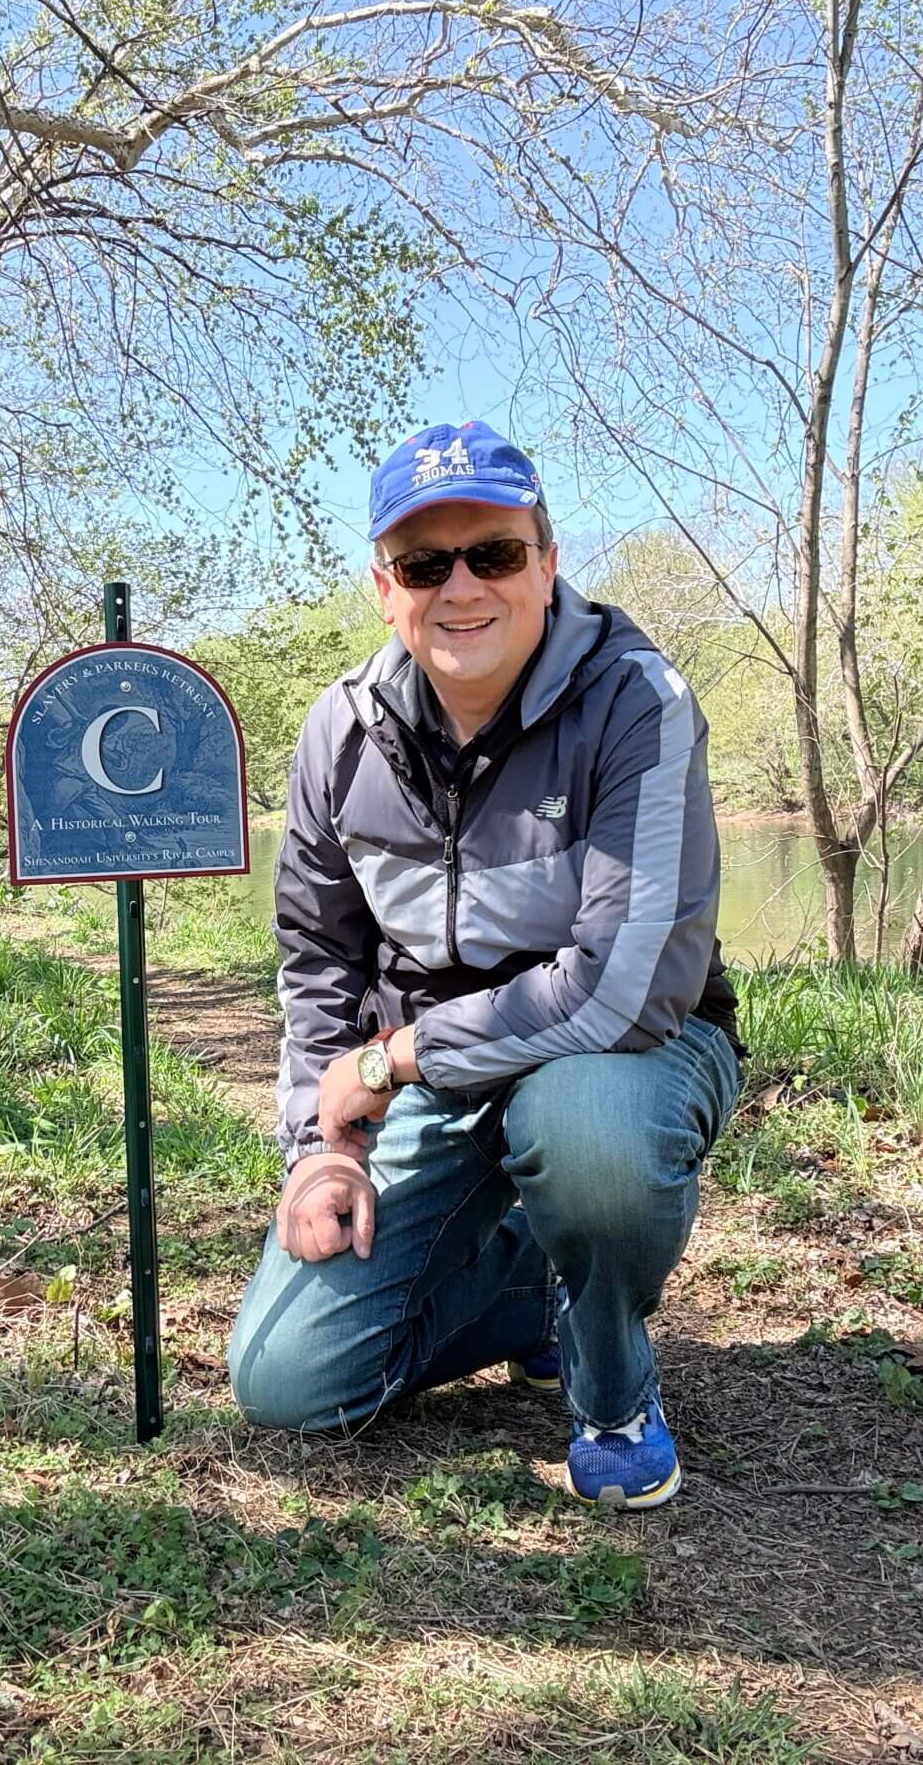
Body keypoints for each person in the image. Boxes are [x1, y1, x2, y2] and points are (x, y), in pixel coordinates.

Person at [226, 419, 740, 1510]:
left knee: (587, 1134)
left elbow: (620, 986)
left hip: (630, 1048)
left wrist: (396, 1058)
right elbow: (320, 957)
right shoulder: (339, 733)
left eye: (493, 554)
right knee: (289, 1386)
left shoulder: (635, 702)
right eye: (423, 564)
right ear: (384, 588)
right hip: (433, 1072)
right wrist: (315, 1154)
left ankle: (610, 1386)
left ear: (545, 565)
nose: (460, 588)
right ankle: (528, 1282)